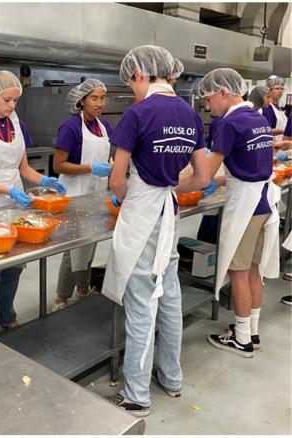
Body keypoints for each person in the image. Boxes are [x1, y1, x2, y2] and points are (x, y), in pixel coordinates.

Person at [101, 45, 216, 417]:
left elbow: (117, 179)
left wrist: (130, 198)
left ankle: (136, 395)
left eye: (129, 82)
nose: (130, 90)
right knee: (168, 298)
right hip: (168, 213)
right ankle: (171, 377)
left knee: (140, 305)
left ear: (138, 72)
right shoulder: (190, 114)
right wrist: (167, 189)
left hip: (142, 218)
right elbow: (202, 177)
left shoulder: (137, 114)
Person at [0, 70, 66, 337]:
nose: (11, 106)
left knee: (14, 264)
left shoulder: (18, 125)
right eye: (7, 100)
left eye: (15, 101)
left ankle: (7, 316)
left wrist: (47, 180)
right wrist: (7, 190)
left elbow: (24, 170)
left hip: (16, 202)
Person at [194, 68, 279, 357]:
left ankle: (241, 339)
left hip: (246, 205)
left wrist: (173, 186)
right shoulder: (257, 118)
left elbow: (204, 172)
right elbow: (247, 160)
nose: (208, 107)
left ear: (223, 92)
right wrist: (220, 179)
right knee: (253, 269)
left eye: (208, 99)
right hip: (265, 202)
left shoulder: (226, 124)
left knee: (238, 271)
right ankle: (251, 332)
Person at [50, 79, 114, 310]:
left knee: (91, 242)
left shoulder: (104, 126)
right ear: (82, 100)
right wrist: (92, 168)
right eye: (94, 98)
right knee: (74, 248)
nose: (99, 103)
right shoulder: (70, 127)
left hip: (96, 193)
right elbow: (58, 165)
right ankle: (61, 298)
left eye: (102, 98)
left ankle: (83, 289)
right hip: (75, 195)